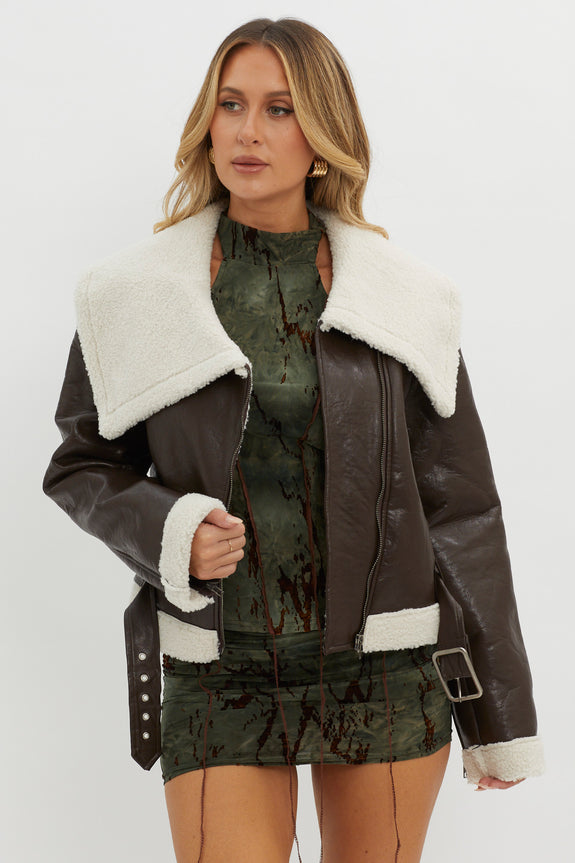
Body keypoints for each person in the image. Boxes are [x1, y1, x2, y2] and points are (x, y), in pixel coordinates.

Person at [42, 16, 544, 863]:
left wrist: (499, 715)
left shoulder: (401, 298)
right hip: (218, 669)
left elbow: (460, 509)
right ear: (206, 122)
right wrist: (169, 530)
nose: (248, 130)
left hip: (382, 668)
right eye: (230, 104)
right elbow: (82, 463)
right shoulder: (134, 295)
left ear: (322, 136)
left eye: (280, 109)